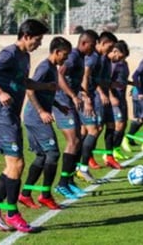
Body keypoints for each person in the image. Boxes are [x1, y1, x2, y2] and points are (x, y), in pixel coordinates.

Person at [0, 19, 49, 232]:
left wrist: (44, 85)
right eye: (37, 39)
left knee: (12, 167)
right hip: (1, 117)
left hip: (11, 117)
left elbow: (23, 82)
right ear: (26, 36)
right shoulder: (9, 53)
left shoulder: (25, 57)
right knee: (17, 165)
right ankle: (12, 213)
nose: (39, 44)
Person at [19, 37, 72, 209]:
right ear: (56, 52)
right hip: (36, 117)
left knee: (42, 156)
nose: (66, 58)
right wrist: (42, 111)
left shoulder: (53, 68)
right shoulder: (44, 67)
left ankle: (25, 194)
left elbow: (46, 91)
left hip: (33, 116)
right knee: (53, 154)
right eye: (64, 55)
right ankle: (45, 195)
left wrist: (58, 105)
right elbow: (30, 90)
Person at [52, 30, 97, 199]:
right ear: (84, 43)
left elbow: (76, 82)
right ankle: (62, 184)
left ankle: (69, 181)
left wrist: (84, 95)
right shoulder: (72, 57)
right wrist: (72, 95)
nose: (93, 49)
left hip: (71, 102)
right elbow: (59, 75)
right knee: (73, 141)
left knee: (78, 140)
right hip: (63, 102)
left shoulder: (81, 57)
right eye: (92, 46)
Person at [77, 31, 120, 182]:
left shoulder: (100, 57)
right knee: (92, 130)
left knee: (93, 130)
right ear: (102, 43)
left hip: (92, 96)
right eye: (110, 46)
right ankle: (81, 166)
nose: (111, 50)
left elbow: (95, 79)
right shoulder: (93, 57)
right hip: (88, 97)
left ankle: (81, 164)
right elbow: (85, 75)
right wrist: (86, 97)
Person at [108, 40, 131, 160]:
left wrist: (133, 83)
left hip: (122, 97)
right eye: (114, 52)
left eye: (117, 52)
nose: (115, 55)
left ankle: (116, 149)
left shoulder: (124, 64)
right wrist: (111, 96)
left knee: (124, 123)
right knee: (119, 124)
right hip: (115, 98)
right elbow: (107, 81)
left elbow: (122, 79)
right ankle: (110, 151)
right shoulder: (113, 65)